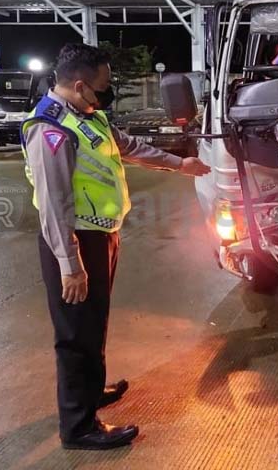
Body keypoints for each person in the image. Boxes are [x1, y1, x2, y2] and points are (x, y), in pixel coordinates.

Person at [20, 43, 210, 450]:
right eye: (102, 87)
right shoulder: (50, 129)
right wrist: (70, 264)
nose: (106, 93)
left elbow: (129, 147)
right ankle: (79, 427)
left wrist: (180, 164)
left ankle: (90, 390)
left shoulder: (87, 116)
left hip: (101, 235)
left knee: (94, 321)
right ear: (79, 85)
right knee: (75, 333)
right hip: (73, 243)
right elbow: (54, 205)